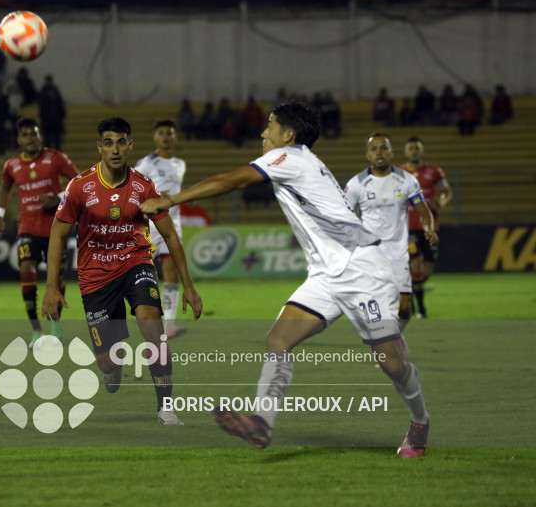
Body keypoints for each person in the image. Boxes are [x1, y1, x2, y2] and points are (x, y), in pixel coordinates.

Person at [141, 103, 430, 456]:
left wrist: (170, 199)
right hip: (325, 276)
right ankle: (261, 422)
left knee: (392, 364)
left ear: (289, 135)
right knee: (278, 340)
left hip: (362, 270)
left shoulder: (292, 158)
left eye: (270, 126)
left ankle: (419, 422)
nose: (264, 133)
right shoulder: (303, 160)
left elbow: (232, 180)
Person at [41, 116, 203, 426]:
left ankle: (166, 408)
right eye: (108, 143)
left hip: (136, 263)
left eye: (121, 142)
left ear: (130, 145)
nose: (115, 149)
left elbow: (170, 235)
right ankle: (113, 367)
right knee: (107, 362)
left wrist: (189, 286)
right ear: (99, 146)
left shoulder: (143, 186)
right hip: (95, 276)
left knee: (152, 328)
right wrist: (51, 286)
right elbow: (57, 235)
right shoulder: (80, 186)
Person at [344, 133, 437, 353]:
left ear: (391, 152)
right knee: (380, 307)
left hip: (398, 254)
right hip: (371, 255)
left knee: (405, 309)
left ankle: (394, 338)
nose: (379, 153)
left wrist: (429, 227)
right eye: (374, 149)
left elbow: (423, 211)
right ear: (367, 154)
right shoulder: (356, 184)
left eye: (383, 148)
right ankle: (384, 348)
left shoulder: (406, 180)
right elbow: (343, 215)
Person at [0, 117, 78, 348]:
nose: (31, 138)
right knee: (26, 270)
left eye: (34, 133)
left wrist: (58, 198)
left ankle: (56, 326)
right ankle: (36, 331)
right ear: (19, 139)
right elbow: (5, 186)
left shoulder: (55, 158)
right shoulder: (11, 165)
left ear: (40, 136)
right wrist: (0, 213)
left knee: (56, 277)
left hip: (55, 227)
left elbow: (79, 180)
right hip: (27, 227)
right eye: (26, 135)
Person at [135, 119, 188, 339]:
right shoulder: (147, 163)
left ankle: (169, 326)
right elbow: (133, 187)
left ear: (175, 137)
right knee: (142, 276)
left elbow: (175, 191)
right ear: (155, 137)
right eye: (161, 133)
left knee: (170, 273)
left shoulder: (180, 164)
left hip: (172, 224)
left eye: (169, 133)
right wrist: (156, 197)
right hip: (150, 226)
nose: (166, 137)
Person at [401, 137, 452, 319]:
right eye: (411, 148)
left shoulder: (434, 172)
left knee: (427, 269)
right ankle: (419, 308)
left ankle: (412, 289)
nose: (414, 151)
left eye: (417, 148)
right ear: (406, 152)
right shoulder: (400, 174)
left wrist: (442, 202)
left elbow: (446, 191)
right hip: (409, 229)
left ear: (421, 151)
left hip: (430, 227)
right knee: (415, 264)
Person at [38, 75, 66, 151]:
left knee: (55, 140)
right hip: (50, 120)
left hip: (53, 119)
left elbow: (60, 104)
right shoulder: (52, 91)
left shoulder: (49, 91)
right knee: (49, 140)